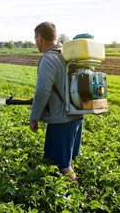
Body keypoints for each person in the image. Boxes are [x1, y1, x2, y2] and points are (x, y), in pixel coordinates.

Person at [29, 22, 83, 182]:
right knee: (52, 160)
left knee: (63, 165)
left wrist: (34, 117)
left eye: (34, 38)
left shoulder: (49, 58)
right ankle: (55, 196)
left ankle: (76, 199)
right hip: (75, 115)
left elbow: (43, 91)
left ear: (39, 37)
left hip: (62, 119)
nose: (35, 41)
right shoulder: (67, 55)